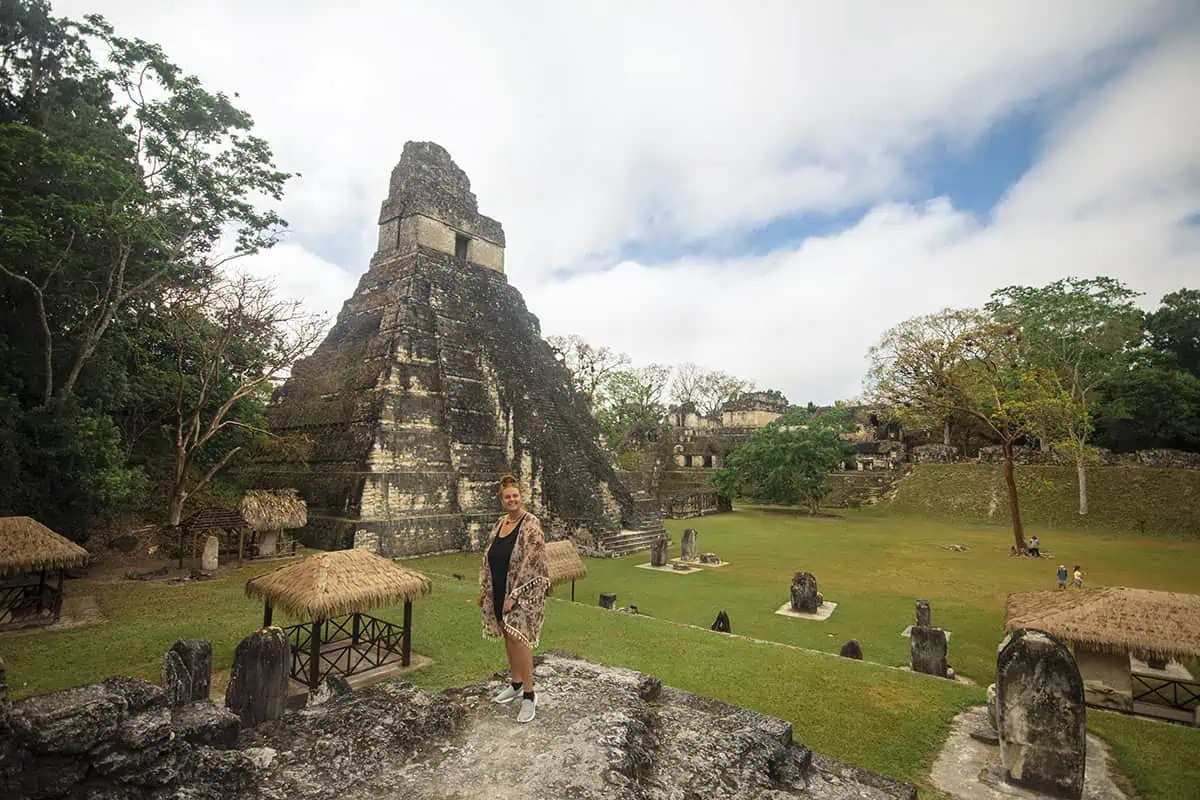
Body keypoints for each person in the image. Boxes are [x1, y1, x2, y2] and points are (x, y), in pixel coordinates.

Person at [478, 474, 551, 724]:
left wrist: (515, 593)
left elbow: (534, 561)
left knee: (520, 639)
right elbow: (489, 556)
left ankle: (530, 695)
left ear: (522, 497)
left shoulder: (530, 524)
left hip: (521, 593)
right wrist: (485, 589)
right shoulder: (500, 524)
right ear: (502, 499)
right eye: (507, 496)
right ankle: (516, 683)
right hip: (498, 588)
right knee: (508, 637)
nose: (512, 499)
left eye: (515, 496)